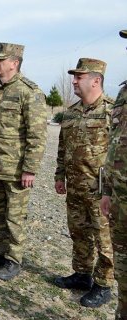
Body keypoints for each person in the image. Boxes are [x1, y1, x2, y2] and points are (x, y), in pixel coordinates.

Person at [0, 43, 47, 281]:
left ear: (14, 63)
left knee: (14, 217)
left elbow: (37, 135)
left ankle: (14, 259)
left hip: (15, 169)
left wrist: (30, 169)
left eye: (0, 59)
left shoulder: (29, 91)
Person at [54, 58, 114, 308]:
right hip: (76, 187)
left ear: (96, 80)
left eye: (79, 77)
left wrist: (111, 191)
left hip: (100, 191)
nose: (74, 81)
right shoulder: (71, 111)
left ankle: (103, 284)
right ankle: (81, 274)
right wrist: (59, 175)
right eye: (74, 77)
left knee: (104, 239)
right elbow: (62, 147)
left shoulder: (112, 111)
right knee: (78, 232)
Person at [101, 29, 127, 319]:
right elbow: (114, 146)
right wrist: (107, 191)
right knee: (123, 273)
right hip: (120, 199)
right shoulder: (123, 92)